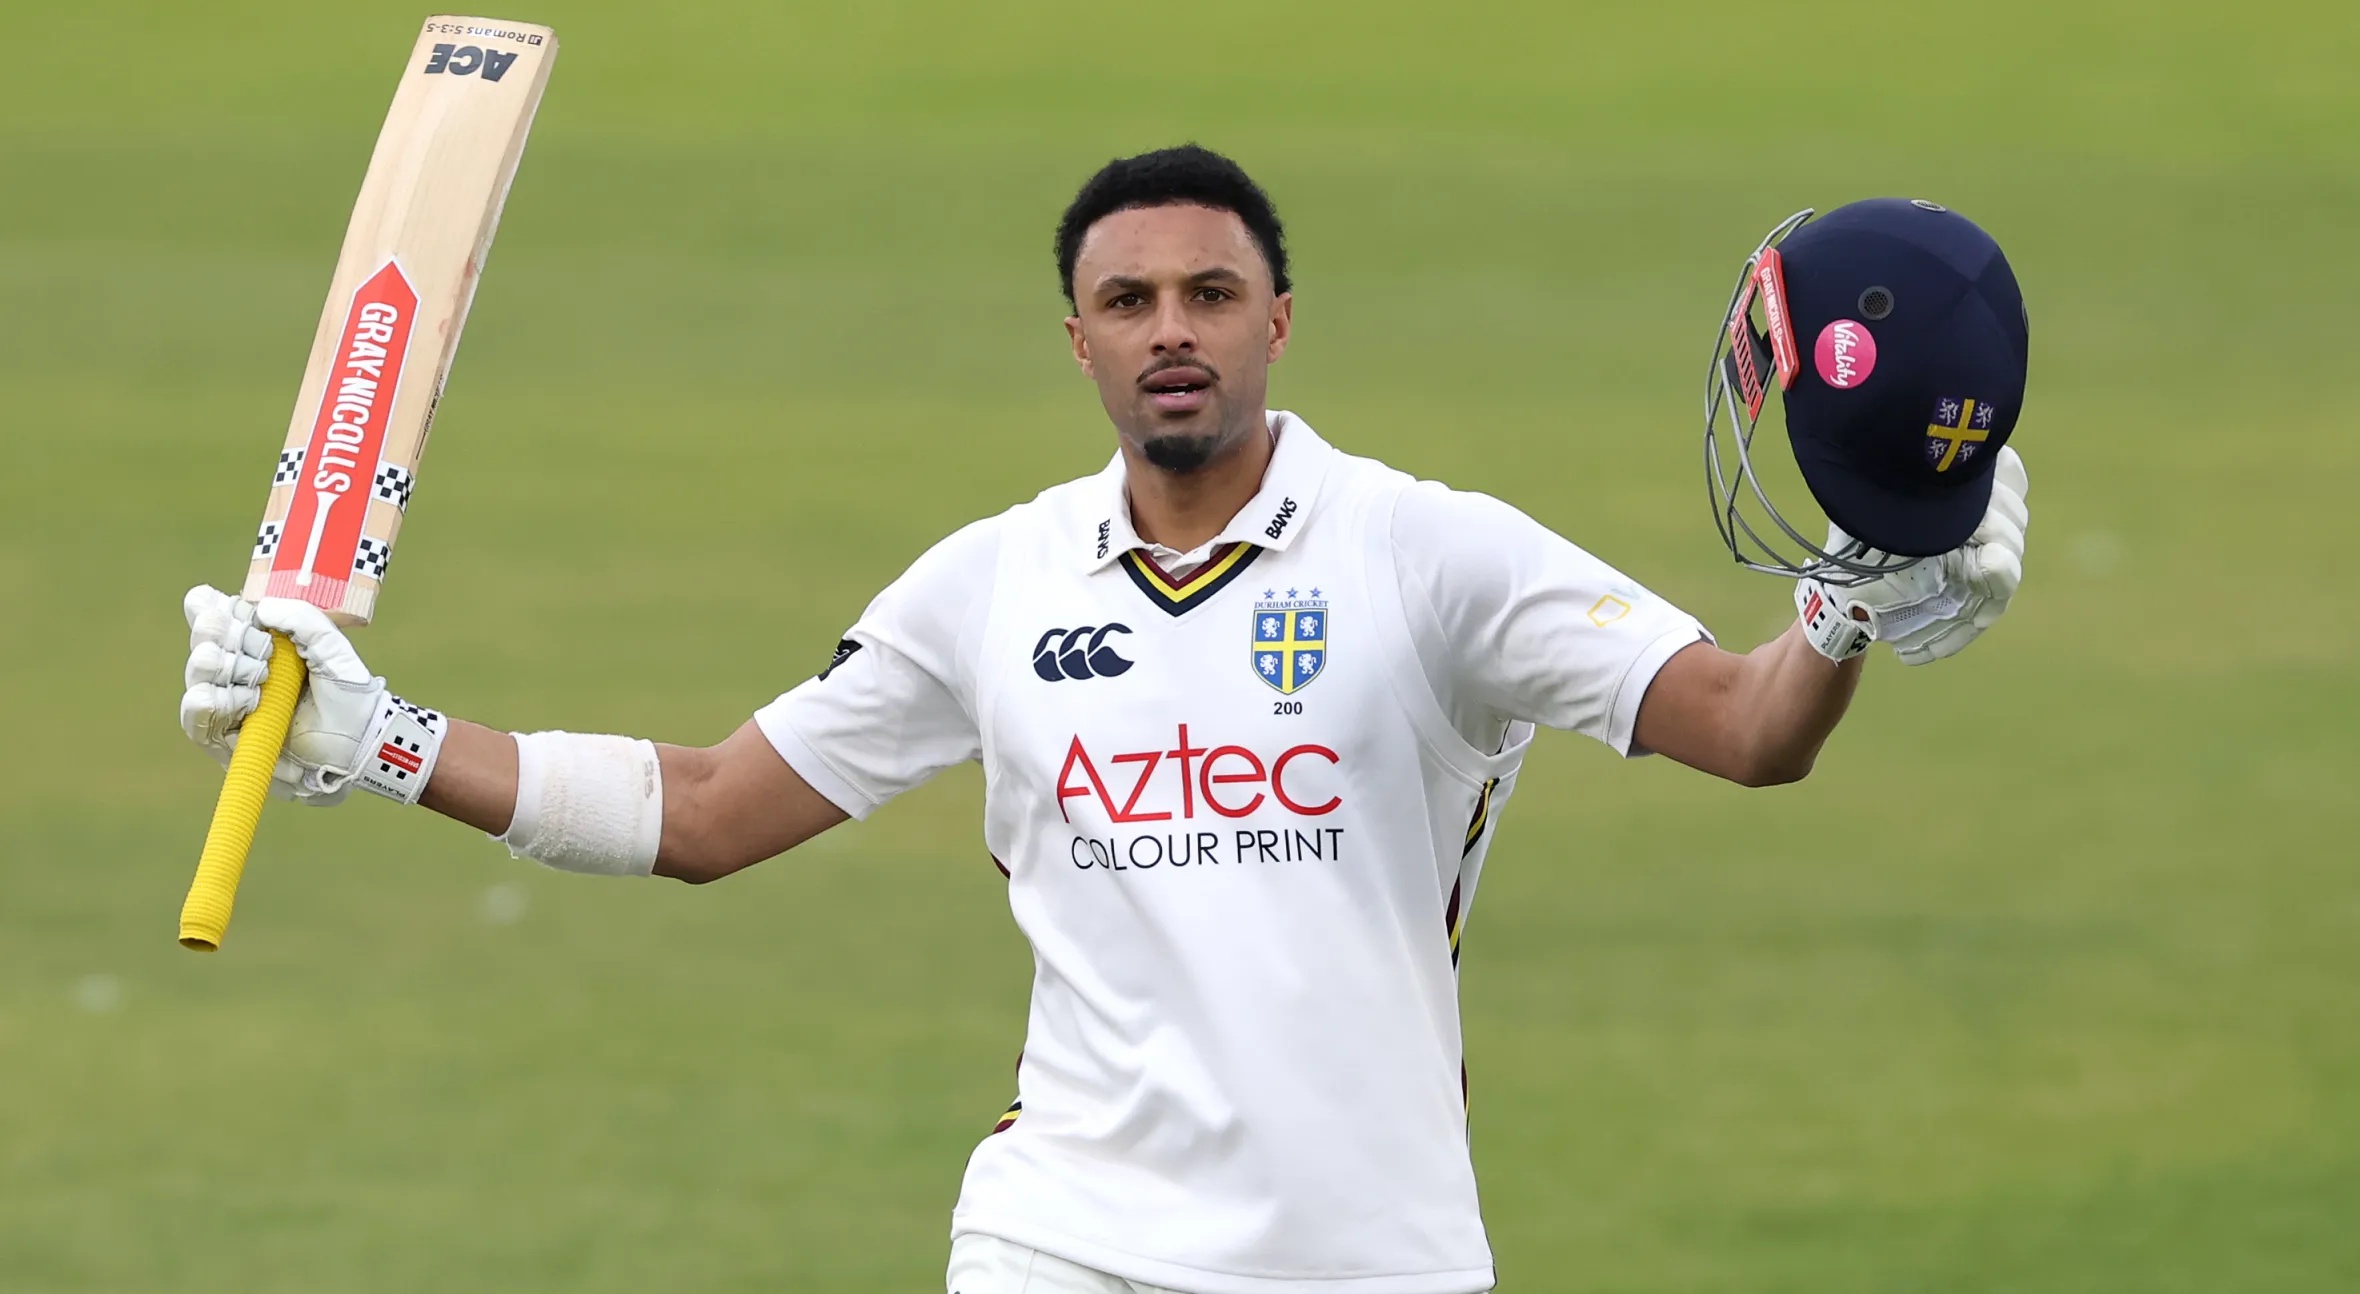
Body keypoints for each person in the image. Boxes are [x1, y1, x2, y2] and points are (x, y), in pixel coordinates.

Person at [179, 147, 2030, 1294]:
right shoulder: (992, 580)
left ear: (1279, 319)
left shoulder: (1427, 551)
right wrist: (383, 739)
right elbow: (712, 806)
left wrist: (1848, 605)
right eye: (1126, 299)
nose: (1173, 329)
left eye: (1211, 294)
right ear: (1073, 339)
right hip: (1064, 1233)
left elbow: (1741, 721)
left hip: (1364, 1254)